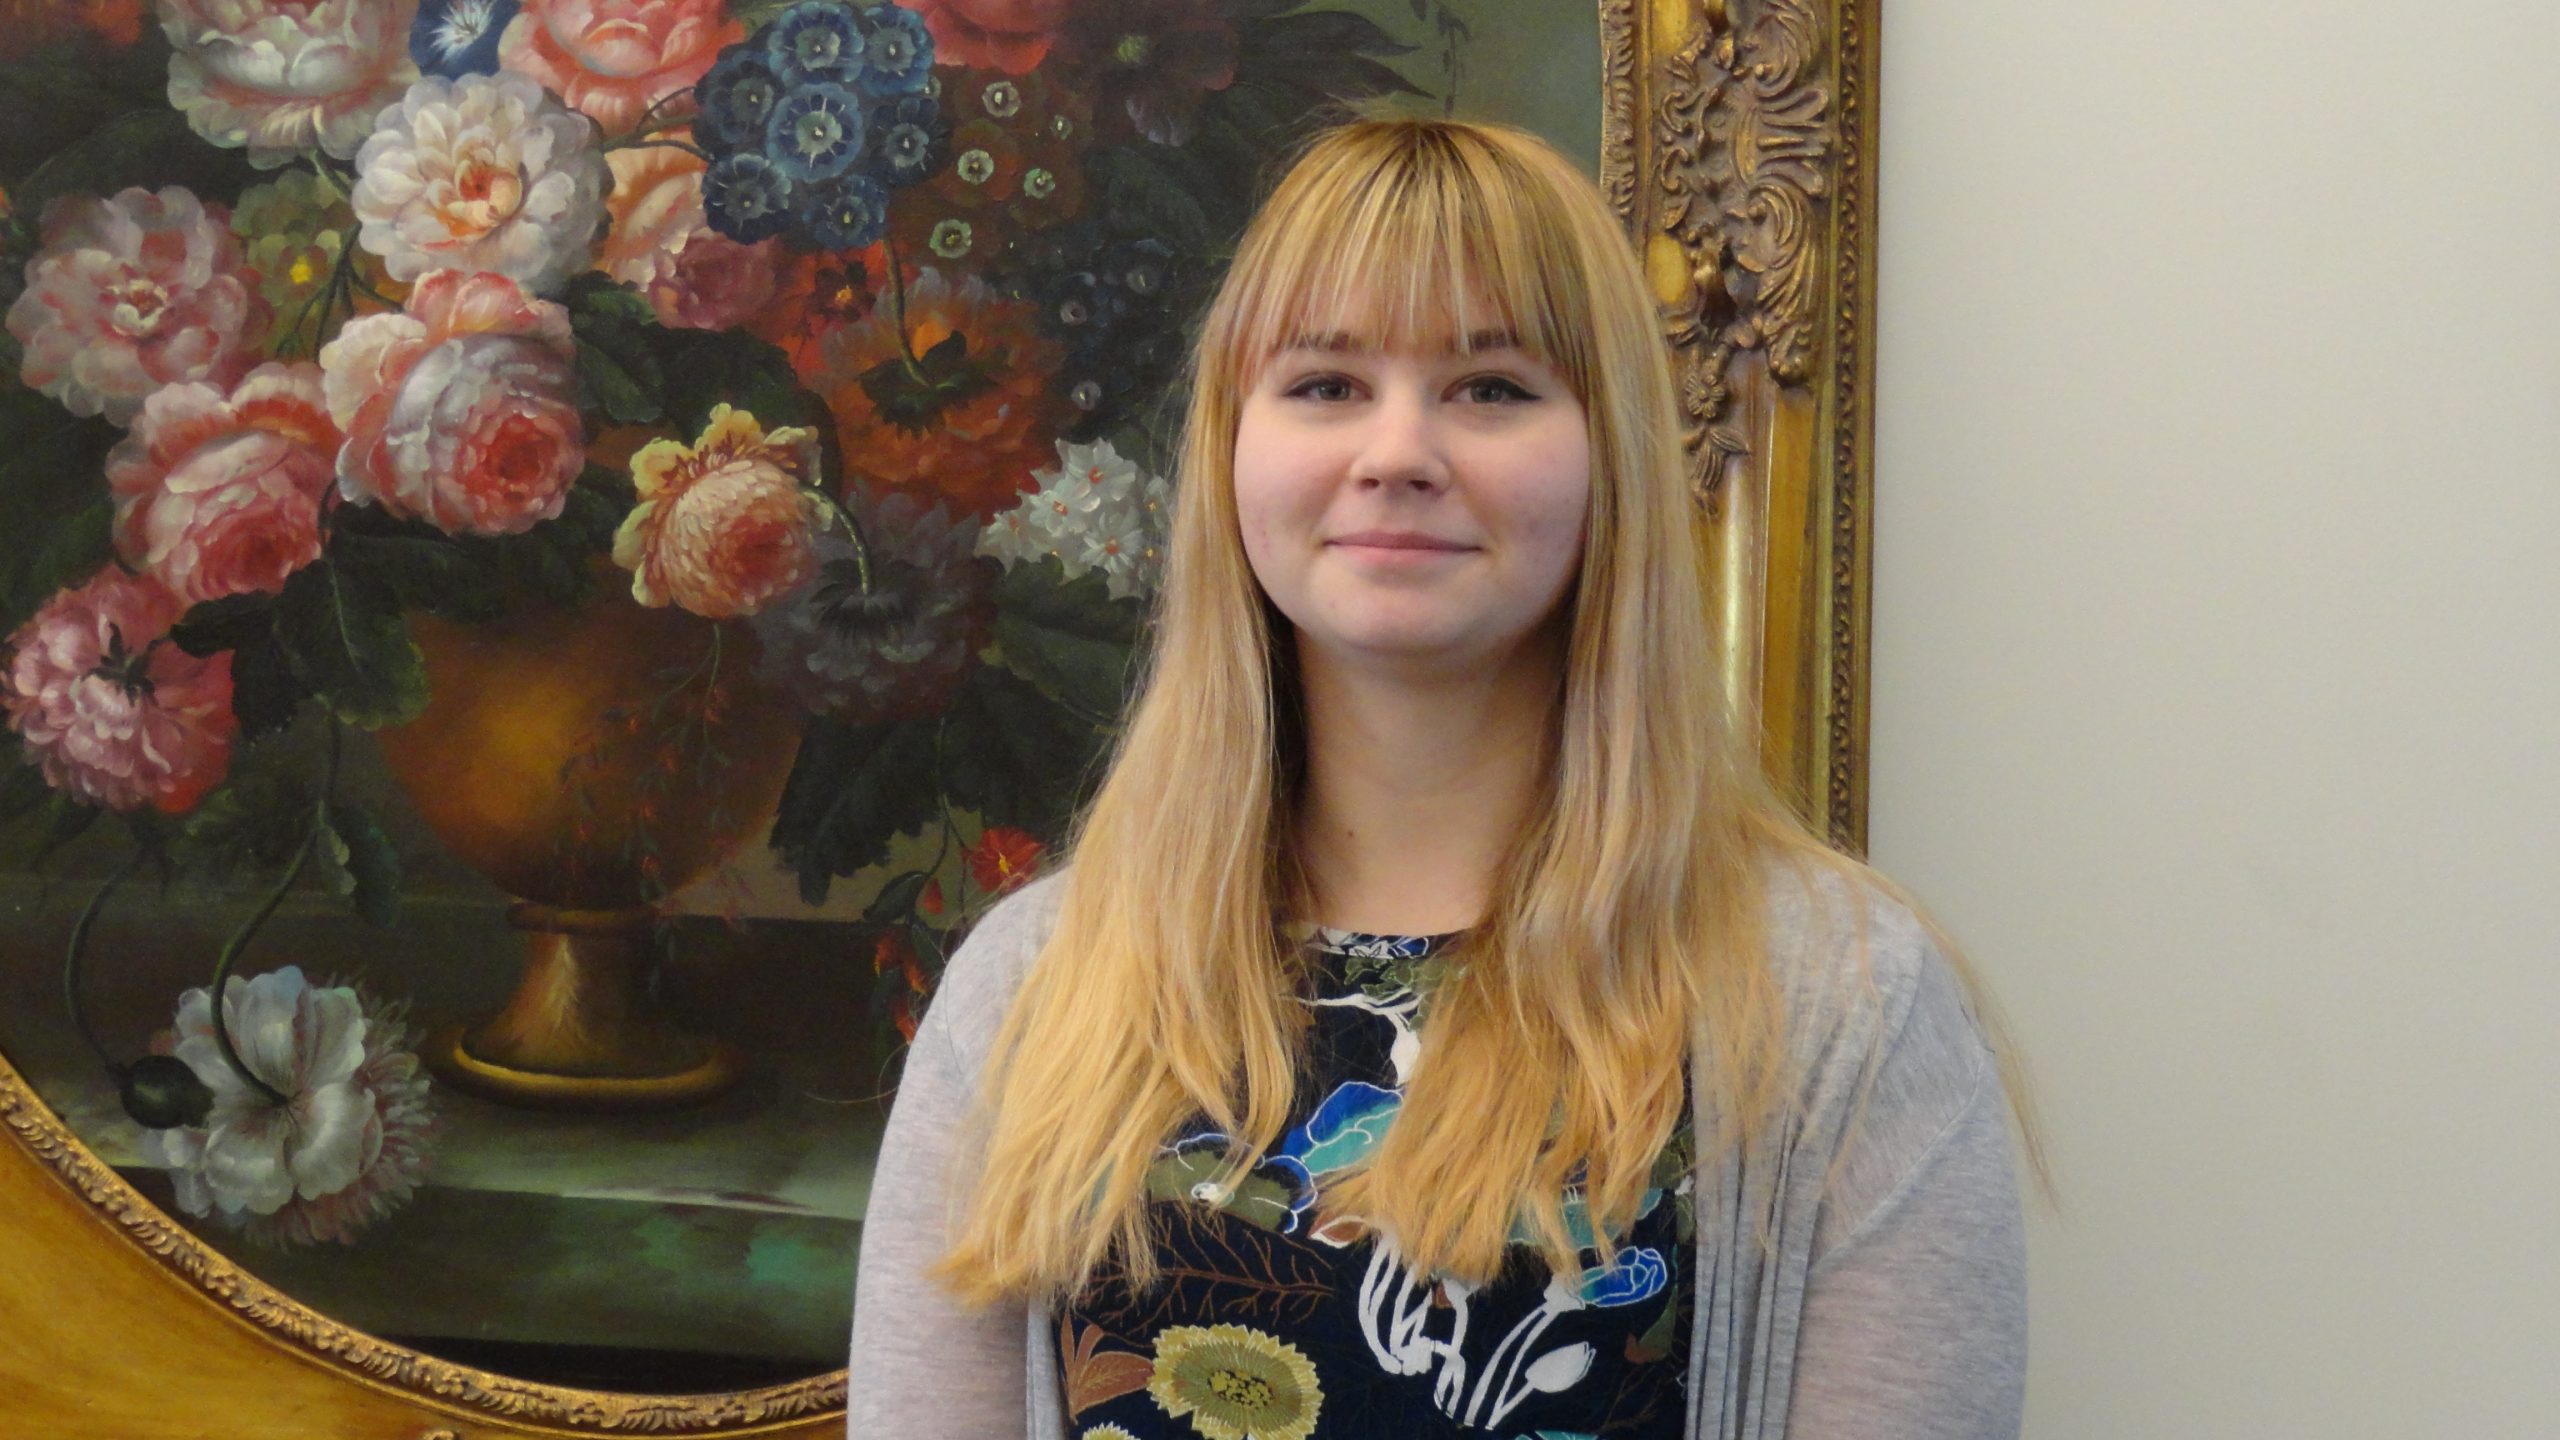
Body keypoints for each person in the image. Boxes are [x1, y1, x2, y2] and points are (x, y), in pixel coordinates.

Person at [848, 118, 2044, 1439]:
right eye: (1325, 384)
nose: (1398, 450)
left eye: (1489, 388)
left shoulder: (1842, 1011)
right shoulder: (1031, 995)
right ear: (1231, 449)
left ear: (1613, 459)